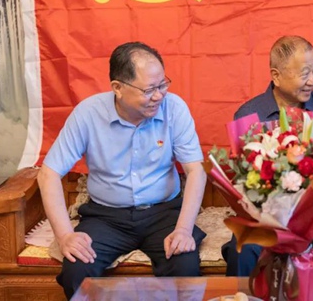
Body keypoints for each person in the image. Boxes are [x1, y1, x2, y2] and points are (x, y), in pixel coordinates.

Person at [37, 42, 207, 299]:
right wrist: (65, 236)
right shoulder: (88, 114)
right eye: (149, 90)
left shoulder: (174, 108)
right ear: (117, 88)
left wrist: (183, 230)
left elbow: (196, 171)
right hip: (106, 218)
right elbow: (48, 173)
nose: (159, 96)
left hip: (163, 215)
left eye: (162, 85)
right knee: (77, 269)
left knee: (184, 266)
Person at [221, 35, 313, 276]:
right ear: (276, 75)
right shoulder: (249, 115)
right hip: (265, 213)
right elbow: (242, 177)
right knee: (243, 251)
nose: (312, 80)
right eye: (304, 74)